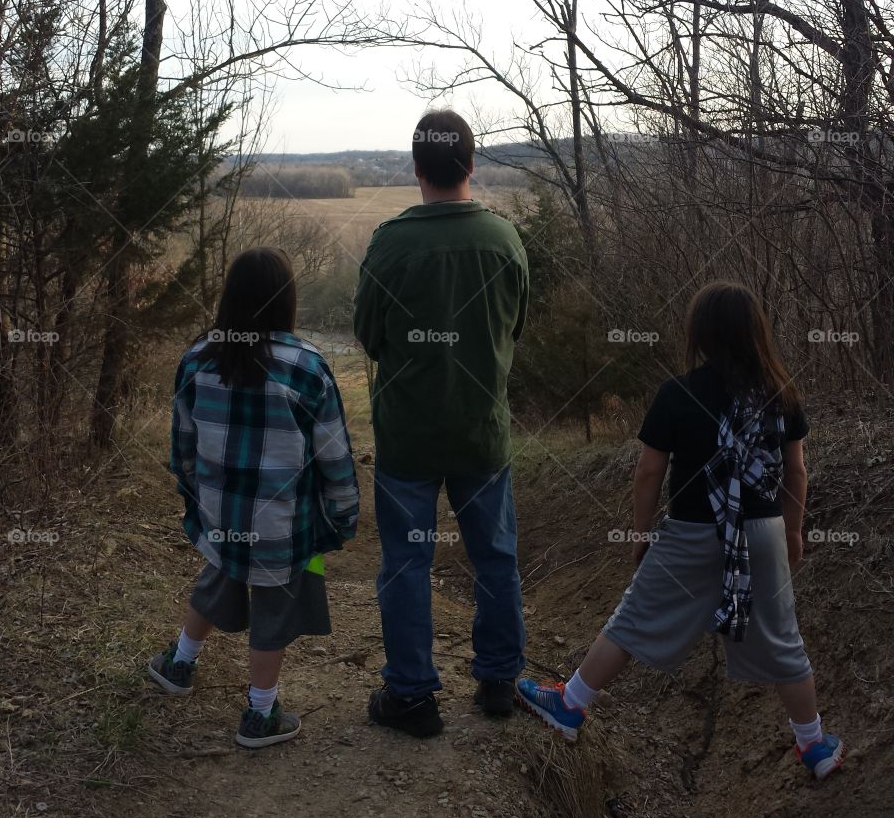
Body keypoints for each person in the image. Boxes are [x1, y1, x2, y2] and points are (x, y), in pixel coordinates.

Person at [516, 280, 845, 780]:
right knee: (783, 639)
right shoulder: (782, 394)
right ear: (757, 333)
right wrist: (794, 532)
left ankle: (571, 705)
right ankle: (815, 745)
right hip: (762, 532)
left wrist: (641, 533)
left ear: (701, 335)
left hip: (693, 530)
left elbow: (648, 472)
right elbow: (795, 471)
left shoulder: (678, 393)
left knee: (634, 617)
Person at [354, 109, 529, 737]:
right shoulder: (505, 240)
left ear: (417, 167)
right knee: (495, 557)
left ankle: (411, 695)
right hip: (482, 432)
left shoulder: (390, 243)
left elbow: (369, 337)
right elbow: (515, 327)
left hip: (408, 435)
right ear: (471, 164)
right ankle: (499, 681)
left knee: (407, 562)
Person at [147, 247, 359, 749]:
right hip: (284, 521)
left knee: (218, 573)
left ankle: (179, 665)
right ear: (285, 299)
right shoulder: (307, 367)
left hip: (222, 510)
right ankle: (260, 715)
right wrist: (344, 515)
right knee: (274, 607)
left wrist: (200, 497)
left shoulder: (198, 359)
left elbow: (182, 446)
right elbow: (334, 457)